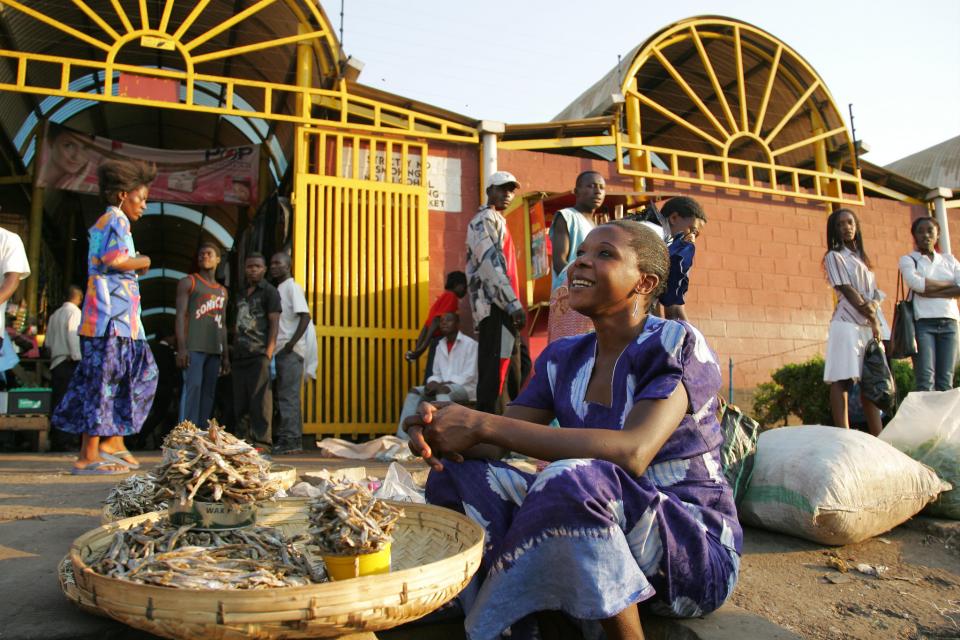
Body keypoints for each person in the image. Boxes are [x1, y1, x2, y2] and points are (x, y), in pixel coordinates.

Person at [404, 220, 741, 640]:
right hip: (594, 521)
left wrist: (480, 421)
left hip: (691, 559)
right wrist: (445, 427)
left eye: (604, 254)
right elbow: (495, 441)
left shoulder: (676, 343)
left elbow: (632, 452)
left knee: (569, 478)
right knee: (455, 478)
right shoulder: (562, 357)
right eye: (582, 251)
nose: (581, 261)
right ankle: (527, 623)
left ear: (645, 281)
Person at [52, 158, 159, 474]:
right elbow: (113, 259)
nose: (145, 206)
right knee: (105, 384)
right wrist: (143, 261)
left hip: (120, 321)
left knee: (132, 376)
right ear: (124, 195)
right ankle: (89, 455)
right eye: (142, 199)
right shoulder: (114, 220)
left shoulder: (114, 222)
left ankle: (112, 440)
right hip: (107, 321)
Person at [823, 208, 888, 436]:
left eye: (849, 222)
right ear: (834, 230)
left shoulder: (862, 257)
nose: (846, 227)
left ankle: (879, 436)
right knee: (842, 378)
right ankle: (844, 434)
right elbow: (848, 291)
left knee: (869, 381)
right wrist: (872, 316)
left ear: (856, 225)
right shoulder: (834, 256)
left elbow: (871, 293)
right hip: (847, 324)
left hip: (867, 325)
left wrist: (875, 321)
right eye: (840, 225)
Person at [466, 170, 526, 414]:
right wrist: (512, 304)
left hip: (502, 309)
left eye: (511, 190)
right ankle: (490, 439)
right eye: (502, 188)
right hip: (496, 309)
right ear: (489, 190)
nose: (508, 194)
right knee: (497, 373)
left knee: (512, 369)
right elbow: (490, 265)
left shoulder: (497, 220)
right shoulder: (484, 219)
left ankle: (503, 436)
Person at [898, 216, 960, 391]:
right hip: (923, 323)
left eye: (930, 231)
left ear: (938, 234)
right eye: (920, 231)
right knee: (925, 381)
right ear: (914, 236)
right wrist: (950, 285)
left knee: (946, 381)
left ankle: (942, 419)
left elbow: (923, 287)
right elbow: (916, 285)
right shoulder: (909, 260)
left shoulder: (949, 260)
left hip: (950, 322)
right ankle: (927, 419)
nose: (925, 235)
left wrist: (928, 287)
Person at [396, 312, 477, 439]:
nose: (444, 323)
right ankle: (402, 439)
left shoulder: (470, 344)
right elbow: (436, 373)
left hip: (465, 388)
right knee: (415, 391)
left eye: (448, 320)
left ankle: (444, 437)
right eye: (442, 321)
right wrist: (432, 382)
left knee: (442, 390)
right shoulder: (440, 345)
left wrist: (442, 384)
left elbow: (469, 375)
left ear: (457, 324)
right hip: (442, 386)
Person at [547, 171, 605, 342]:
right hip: (568, 296)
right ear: (576, 191)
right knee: (566, 352)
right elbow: (560, 262)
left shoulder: (597, 227)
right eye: (591, 186)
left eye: (602, 187)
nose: (597, 191)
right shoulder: (566, 217)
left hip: (590, 297)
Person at [175, 242, 229, 427]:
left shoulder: (222, 291)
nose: (204, 256)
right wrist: (182, 348)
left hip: (214, 349)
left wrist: (225, 357)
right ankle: (185, 433)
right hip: (193, 347)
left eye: (209, 253)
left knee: (208, 393)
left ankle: (200, 434)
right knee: (193, 389)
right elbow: (180, 316)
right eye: (201, 254)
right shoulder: (189, 282)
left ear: (218, 259)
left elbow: (223, 325)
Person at [232, 253, 281, 451]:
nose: (253, 269)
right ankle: (242, 441)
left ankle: (262, 442)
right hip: (239, 354)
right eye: (249, 266)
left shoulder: (269, 292)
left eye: (257, 266)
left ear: (264, 269)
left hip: (259, 353)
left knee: (261, 401)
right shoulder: (240, 294)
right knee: (240, 400)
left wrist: (268, 353)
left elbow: (274, 323)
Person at [269, 252, 312, 455]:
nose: (274, 266)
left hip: (290, 351)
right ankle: (288, 438)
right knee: (284, 396)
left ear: (288, 266)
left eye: (278, 263)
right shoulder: (278, 289)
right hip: (281, 350)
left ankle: (292, 440)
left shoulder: (292, 287)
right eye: (272, 263)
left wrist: (291, 343)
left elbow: (305, 316)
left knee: (289, 397)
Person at [405, 270, 467, 379]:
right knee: (436, 379)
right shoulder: (451, 297)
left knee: (431, 376)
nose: (465, 290)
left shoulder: (441, 299)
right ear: (457, 285)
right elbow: (436, 321)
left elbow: (426, 327)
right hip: (440, 341)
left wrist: (418, 349)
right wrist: (420, 350)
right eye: (464, 286)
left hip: (435, 342)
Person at [46, 285, 83, 451]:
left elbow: (47, 342)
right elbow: (72, 333)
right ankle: (65, 441)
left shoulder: (54, 315)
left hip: (56, 362)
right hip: (69, 362)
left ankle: (55, 439)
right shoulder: (74, 312)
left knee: (57, 402)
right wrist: (76, 356)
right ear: (79, 298)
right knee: (69, 403)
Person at [40, 123, 96, 191]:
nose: (77, 157)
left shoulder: (89, 187)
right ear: (51, 142)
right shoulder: (35, 178)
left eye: (86, 148)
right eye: (68, 146)